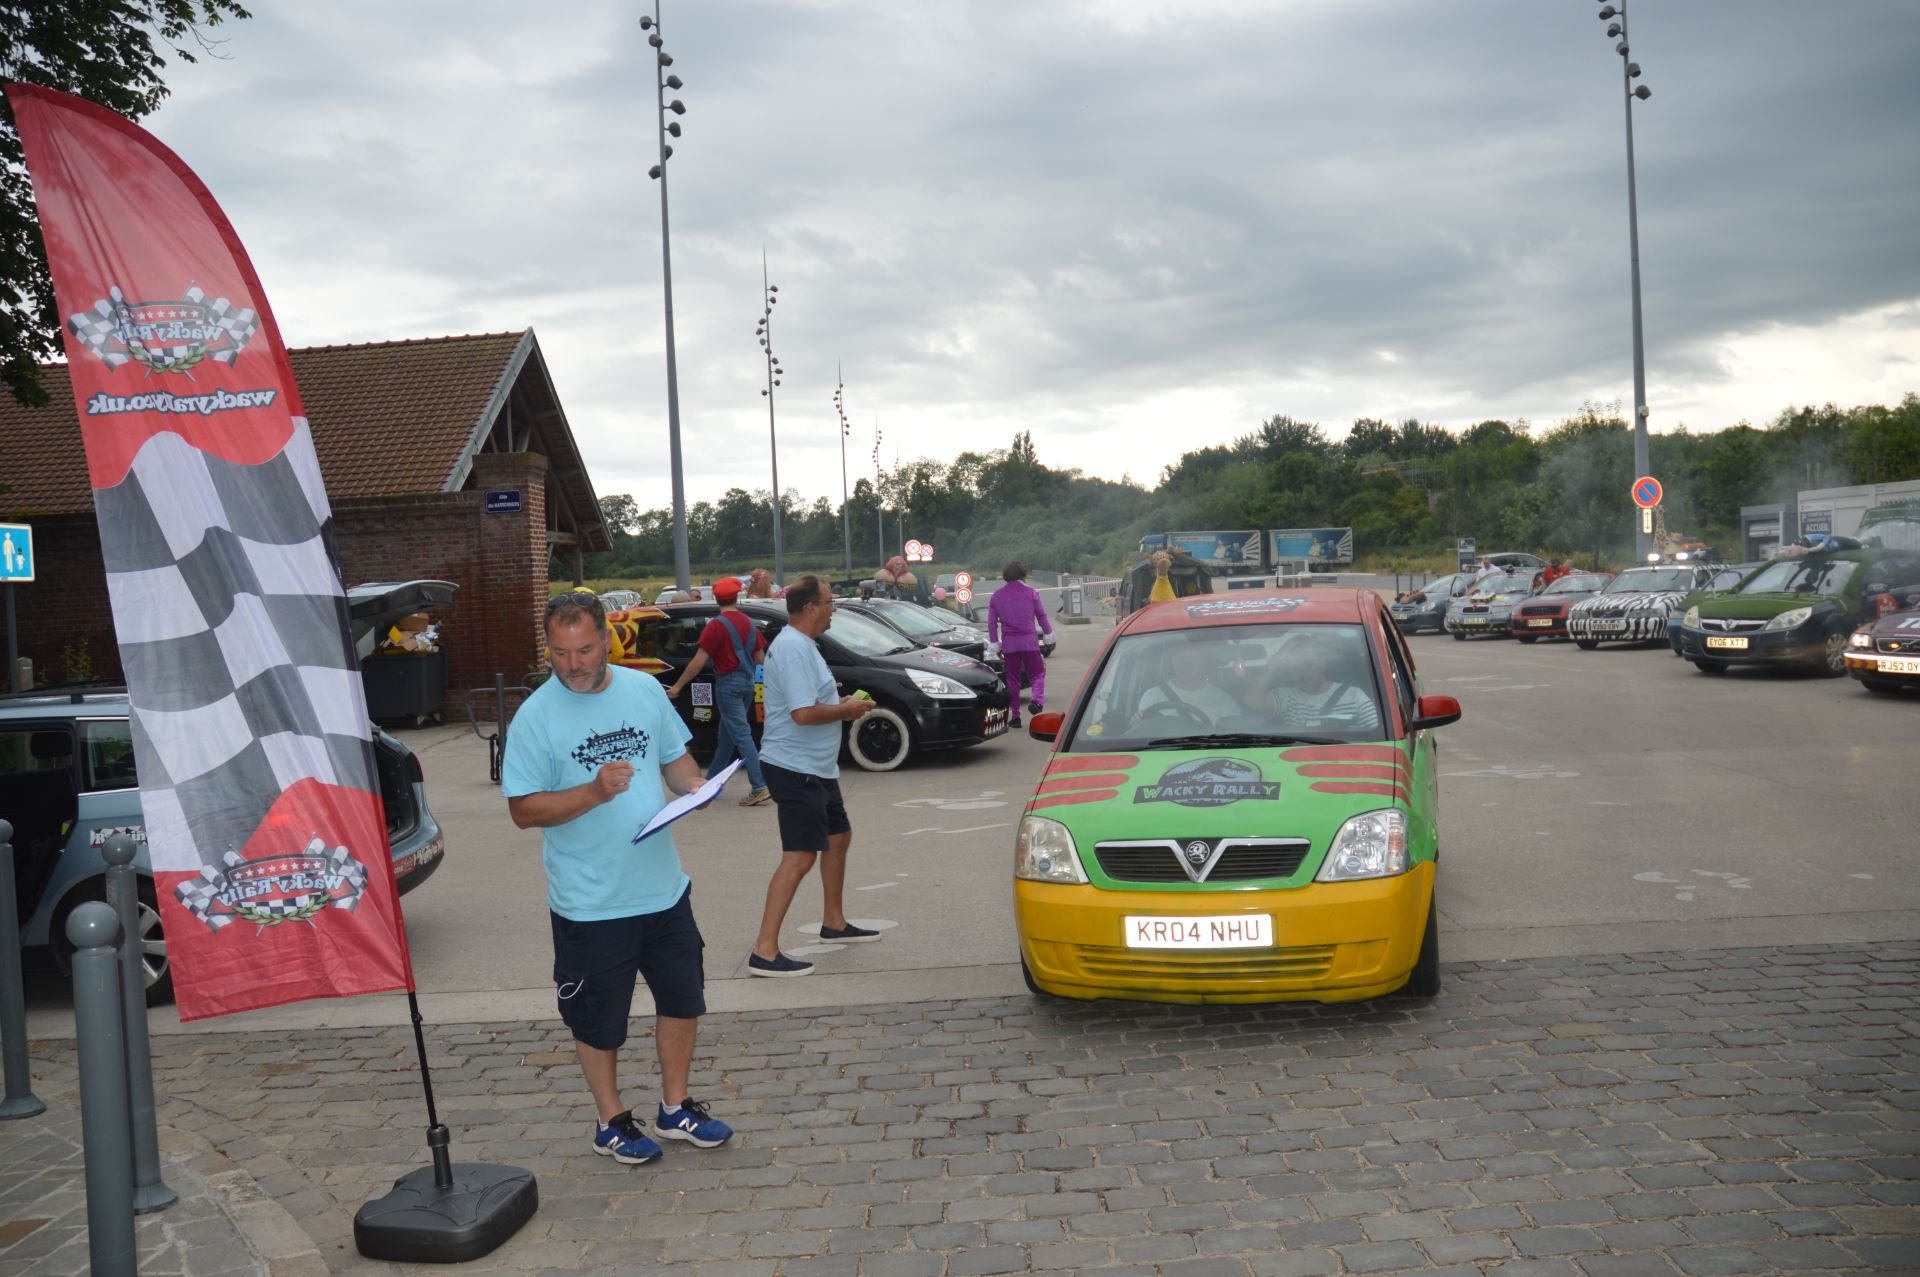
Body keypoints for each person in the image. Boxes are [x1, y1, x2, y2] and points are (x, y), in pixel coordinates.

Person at [502, 591, 732, 1166]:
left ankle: (675, 1108)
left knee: (683, 999)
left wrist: (696, 788)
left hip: (662, 887)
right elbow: (523, 810)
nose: (574, 664)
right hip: (590, 901)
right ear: (548, 649)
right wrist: (592, 791)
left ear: (607, 639)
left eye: (583, 649)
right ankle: (610, 1121)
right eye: (560, 653)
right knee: (598, 1018)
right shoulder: (536, 716)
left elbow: (675, 760)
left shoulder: (644, 690)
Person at [750, 575, 880, 977]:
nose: (833, 608)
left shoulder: (804, 646)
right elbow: (803, 714)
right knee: (800, 855)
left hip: (817, 767)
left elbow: (811, 702)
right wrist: (846, 710)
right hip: (794, 767)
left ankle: (834, 922)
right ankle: (764, 951)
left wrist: (838, 702)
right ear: (810, 608)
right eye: (829, 602)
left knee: (838, 837)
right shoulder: (792, 649)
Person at [665, 577, 771, 806]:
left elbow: (697, 663)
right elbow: (760, 659)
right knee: (728, 736)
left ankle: (760, 785)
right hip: (748, 683)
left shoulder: (716, 626)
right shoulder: (748, 623)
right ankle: (710, 784)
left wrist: (678, 686)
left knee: (741, 734)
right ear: (736, 597)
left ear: (715, 598)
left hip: (729, 686)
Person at [1254, 630, 1382, 736]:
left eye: (1307, 665)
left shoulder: (1353, 695)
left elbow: (1380, 731)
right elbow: (1252, 700)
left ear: (1322, 665)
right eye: (1294, 669)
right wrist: (1273, 663)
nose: (1302, 673)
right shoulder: (1287, 695)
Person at [986, 561, 1055, 728]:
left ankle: (1015, 716)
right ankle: (1037, 701)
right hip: (1029, 642)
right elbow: (1042, 615)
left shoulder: (996, 596)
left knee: (1012, 680)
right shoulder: (1031, 593)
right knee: (1037, 673)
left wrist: (995, 642)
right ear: (1023, 574)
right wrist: (1048, 633)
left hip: (1010, 645)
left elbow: (991, 623)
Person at [1131, 642, 1242, 730]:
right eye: (1180, 658)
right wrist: (1137, 724)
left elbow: (1237, 743)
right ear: (1172, 662)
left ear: (1203, 663)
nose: (1186, 664)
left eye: (1193, 658)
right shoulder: (1152, 696)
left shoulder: (1225, 702)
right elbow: (1143, 735)